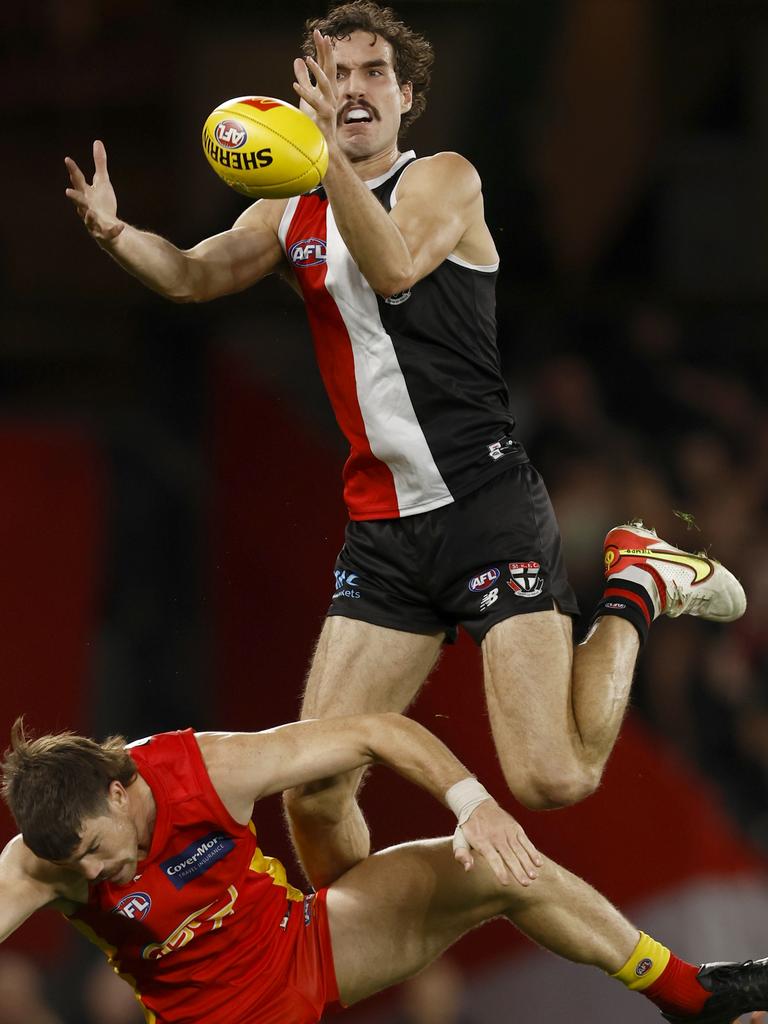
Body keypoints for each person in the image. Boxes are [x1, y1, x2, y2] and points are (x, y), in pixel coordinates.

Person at [64, 0, 747, 885]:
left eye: (372, 73)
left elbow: (389, 267)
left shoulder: (444, 181)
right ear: (310, 86)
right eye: (334, 74)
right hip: (384, 535)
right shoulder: (284, 212)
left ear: (407, 96)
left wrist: (321, 158)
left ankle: (637, 586)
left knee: (552, 779)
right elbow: (195, 276)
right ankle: (368, 955)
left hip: (485, 511)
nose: (352, 90)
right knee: (312, 792)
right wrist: (118, 236)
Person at [1, 716, 767, 1024]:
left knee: (500, 867)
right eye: (82, 867)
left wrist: (472, 804)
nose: (100, 874)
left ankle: (686, 993)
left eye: (100, 850)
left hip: (305, 944)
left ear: (117, 786)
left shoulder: (206, 767)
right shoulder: (40, 865)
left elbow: (376, 731)